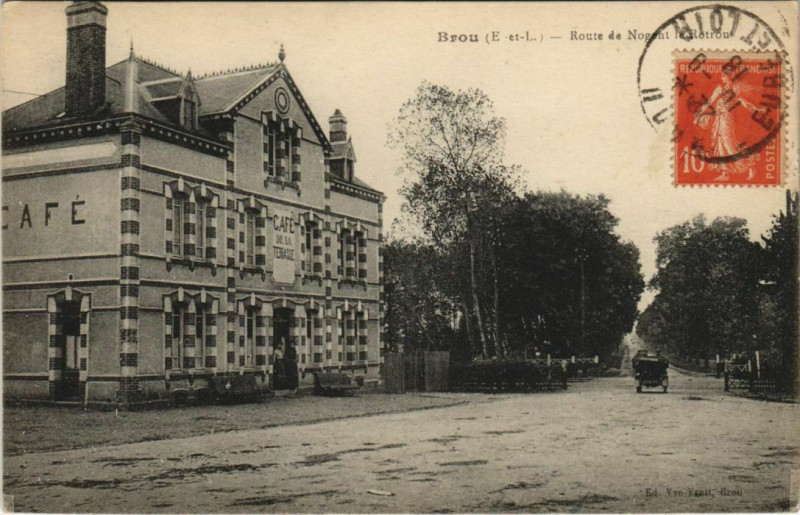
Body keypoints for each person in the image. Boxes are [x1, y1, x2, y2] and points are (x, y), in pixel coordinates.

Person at [694, 73, 763, 181]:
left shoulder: (735, 89)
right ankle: (725, 173)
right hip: (718, 118)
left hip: (727, 119)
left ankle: (749, 164)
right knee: (719, 143)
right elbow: (709, 102)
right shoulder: (719, 89)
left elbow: (744, 103)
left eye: (723, 76)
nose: (721, 78)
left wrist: (756, 110)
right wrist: (699, 114)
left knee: (728, 144)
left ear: (729, 77)